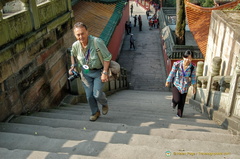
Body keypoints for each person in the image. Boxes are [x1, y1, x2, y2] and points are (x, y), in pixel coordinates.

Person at [69, 22, 112, 121]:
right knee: (89, 95)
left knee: (96, 94)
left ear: (87, 32)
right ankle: (95, 112)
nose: (81, 36)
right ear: (75, 35)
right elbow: (72, 54)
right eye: (78, 34)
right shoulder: (75, 45)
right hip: (85, 73)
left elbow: (107, 57)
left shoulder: (97, 42)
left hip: (98, 72)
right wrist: (73, 66)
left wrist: (105, 72)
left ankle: (104, 103)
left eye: (82, 33)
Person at [165, 50, 197, 118]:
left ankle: (179, 114)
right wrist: (168, 81)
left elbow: (193, 78)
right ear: (183, 57)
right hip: (177, 84)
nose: (188, 60)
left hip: (185, 86)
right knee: (177, 100)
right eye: (186, 58)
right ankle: (174, 102)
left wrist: (194, 87)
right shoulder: (177, 64)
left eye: (190, 58)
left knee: (182, 102)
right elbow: (172, 73)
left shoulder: (192, 67)